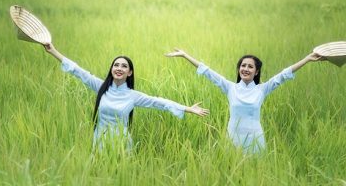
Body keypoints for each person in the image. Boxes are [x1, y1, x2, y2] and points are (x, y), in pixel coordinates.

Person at [43, 43, 209, 151]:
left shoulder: (132, 96)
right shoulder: (101, 87)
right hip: (99, 143)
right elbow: (77, 70)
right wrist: (53, 51)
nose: (119, 68)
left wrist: (188, 109)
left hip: (121, 145)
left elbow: (159, 102)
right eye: (116, 65)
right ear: (111, 69)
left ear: (129, 72)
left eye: (124, 66)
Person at [165, 48, 323, 153]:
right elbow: (208, 72)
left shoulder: (262, 89)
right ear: (239, 69)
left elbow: (284, 74)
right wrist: (185, 55)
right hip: (233, 138)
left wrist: (307, 59)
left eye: (250, 66)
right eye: (243, 65)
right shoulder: (230, 88)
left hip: (255, 139)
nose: (245, 69)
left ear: (256, 71)